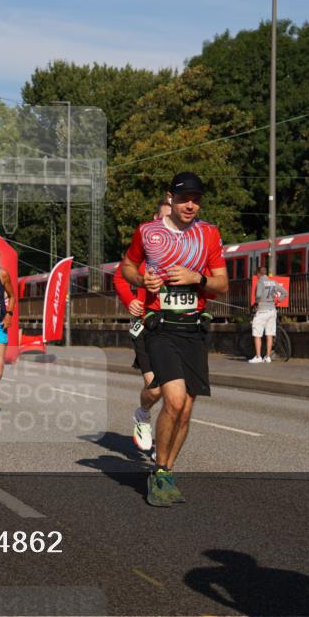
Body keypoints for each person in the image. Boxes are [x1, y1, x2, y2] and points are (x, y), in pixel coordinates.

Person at [120, 172, 228, 507]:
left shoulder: (208, 234)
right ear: (171, 199)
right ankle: (158, 472)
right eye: (184, 199)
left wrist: (198, 278)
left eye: (196, 198)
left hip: (193, 329)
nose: (190, 205)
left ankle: (165, 469)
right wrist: (143, 278)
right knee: (175, 399)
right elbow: (126, 267)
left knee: (187, 409)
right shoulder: (148, 232)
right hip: (160, 327)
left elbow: (222, 284)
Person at [113, 199, 173, 453]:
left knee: (177, 395)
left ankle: (165, 456)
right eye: (163, 218)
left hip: (178, 324)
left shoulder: (190, 246)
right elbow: (120, 275)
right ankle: (143, 413)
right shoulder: (148, 245)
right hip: (147, 325)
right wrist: (131, 301)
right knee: (156, 388)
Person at [248, 265, 288, 364]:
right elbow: (285, 292)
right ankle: (268, 357)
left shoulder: (260, 281)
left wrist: (256, 303)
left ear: (258, 273)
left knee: (257, 334)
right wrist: (278, 300)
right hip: (272, 311)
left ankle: (258, 356)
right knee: (269, 334)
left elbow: (258, 295)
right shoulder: (273, 282)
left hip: (262, 311)